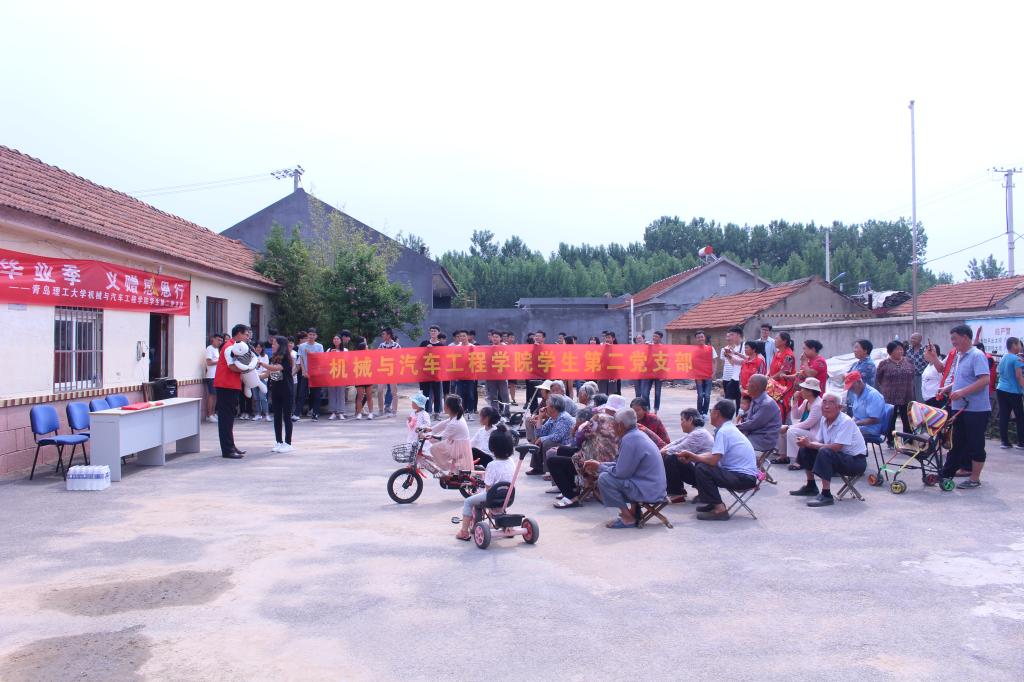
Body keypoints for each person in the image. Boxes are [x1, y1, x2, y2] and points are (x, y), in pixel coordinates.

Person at [670, 399, 759, 521]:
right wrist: (693, 457)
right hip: (742, 475)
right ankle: (712, 502)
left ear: (717, 413)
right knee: (700, 464)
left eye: (711, 411)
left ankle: (720, 509)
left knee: (702, 468)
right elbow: (714, 454)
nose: (710, 413)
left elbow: (713, 461)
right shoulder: (726, 429)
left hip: (744, 478)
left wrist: (694, 457)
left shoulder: (724, 431)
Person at [584, 407, 667, 528]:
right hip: (652, 487)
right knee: (608, 475)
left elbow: (621, 473)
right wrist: (600, 464)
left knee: (605, 479)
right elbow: (622, 465)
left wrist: (600, 467)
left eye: (614, 424)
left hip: (649, 490)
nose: (612, 427)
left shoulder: (630, 440)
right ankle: (632, 512)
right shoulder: (636, 435)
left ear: (621, 426)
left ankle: (628, 518)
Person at [790, 393, 868, 507]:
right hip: (839, 456)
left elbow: (836, 447)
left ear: (839, 407)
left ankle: (826, 494)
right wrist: (806, 443)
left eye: (831, 402)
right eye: (824, 402)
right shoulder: (824, 419)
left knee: (824, 451)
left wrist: (810, 444)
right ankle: (811, 486)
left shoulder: (846, 421)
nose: (826, 406)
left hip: (855, 461)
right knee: (806, 448)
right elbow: (819, 441)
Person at [939, 325, 992, 489]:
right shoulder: (960, 355)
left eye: (954, 338)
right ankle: (946, 474)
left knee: (975, 444)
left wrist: (962, 392)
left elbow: (984, 380)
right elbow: (964, 379)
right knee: (957, 442)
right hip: (960, 407)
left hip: (976, 409)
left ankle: (974, 479)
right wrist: (948, 388)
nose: (953, 342)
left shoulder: (977, 355)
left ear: (965, 337)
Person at [454, 423, 517, 541]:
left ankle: (464, 532)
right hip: (508, 497)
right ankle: (504, 522)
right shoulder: (512, 462)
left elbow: (488, 487)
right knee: (492, 496)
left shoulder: (492, 465)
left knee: (468, 501)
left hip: (493, 497)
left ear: (492, 448)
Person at [662, 408, 715, 503]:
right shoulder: (697, 432)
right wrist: (663, 449)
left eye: (682, 420)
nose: (681, 423)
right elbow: (677, 442)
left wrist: (662, 452)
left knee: (671, 457)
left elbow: (678, 448)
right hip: (702, 469)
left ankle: (676, 492)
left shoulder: (698, 434)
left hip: (705, 473)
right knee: (670, 455)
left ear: (690, 419)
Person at [214, 323, 250, 459]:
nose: (247, 337)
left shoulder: (235, 346)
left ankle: (231, 446)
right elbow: (232, 366)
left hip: (230, 385)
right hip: (225, 386)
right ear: (239, 334)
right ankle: (227, 450)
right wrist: (247, 370)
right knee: (226, 419)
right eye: (246, 334)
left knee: (229, 418)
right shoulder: (229, 347)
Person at [876, 340, 915, 447]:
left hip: (906, 394)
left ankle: (908, 440)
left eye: (901, 349)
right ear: (890, 351)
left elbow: (912, 375)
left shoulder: (909, 361)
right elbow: (879, 378)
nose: (900, 351)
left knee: (907, 419)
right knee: (891, 419)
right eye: (897, 349)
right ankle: (891, 440)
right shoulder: (884, 364)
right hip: (890, 396)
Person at [776, 377, 823, 466]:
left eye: (803, 389)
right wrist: (795, 401)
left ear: (810, 391)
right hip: (806, 431)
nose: (801, 391)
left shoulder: (818, 405)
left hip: (815, 434)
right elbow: (796, 416)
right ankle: (783, 456)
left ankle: (797, 460)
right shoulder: (806, 401)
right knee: (782, 430)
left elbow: (808, 423)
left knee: (791, 431)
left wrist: (788, 427)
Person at [528, 394, 575, 474]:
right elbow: (540, 433)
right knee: (539, 440)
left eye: (547, 405)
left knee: (547, 442)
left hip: (566, 444)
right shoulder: (552, 417)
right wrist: (540, 417)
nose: (545, 408)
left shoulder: (564, 418)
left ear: (553, 408)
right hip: (558, 441)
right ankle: (537, 468)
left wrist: (542, 439)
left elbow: (558, 437)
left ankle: (550, 471)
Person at [263, 335, 295, 453]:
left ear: (280, 345)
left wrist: (261, 363)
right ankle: (278, 441)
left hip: (287, 390)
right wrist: (253, 376)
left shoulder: (287, 358)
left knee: (286, 417)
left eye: (274, 343)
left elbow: (276, 368)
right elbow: (268, 374)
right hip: (276, 390)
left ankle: (288, 443)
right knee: (277, 416)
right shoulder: (273, 358)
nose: (272, 345)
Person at [735, 374, 782, 452]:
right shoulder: (756, 398)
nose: (746, 385)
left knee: (732, 443)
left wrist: (734, 427)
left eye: (749, 382)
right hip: (754, 433)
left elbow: (753, 423)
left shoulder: (766, 404)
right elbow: (749, 420)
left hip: (763, 439)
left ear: (756, 387)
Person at [429, 395, 473, 475]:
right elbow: (443, 424)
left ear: (448, 408)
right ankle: (452, 468)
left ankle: (448, 467)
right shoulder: (456, 417)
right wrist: (430, 429)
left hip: (458, 447)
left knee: (434, 448)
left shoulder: (454, 423)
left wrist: (428, 437)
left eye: (445, 404)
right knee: (436, 446)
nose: (443, 406)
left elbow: (441, 437)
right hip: (457, 444)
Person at [996, 337, 1024, 449]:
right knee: (1020, 417)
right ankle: (1021, 442)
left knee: (1004, 415)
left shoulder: (1004, 357)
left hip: (1001, 389)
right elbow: (1019, 376)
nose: (1020, 347)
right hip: (1013, 391)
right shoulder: (1016, 359)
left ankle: (1004, 442)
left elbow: (1000, 371)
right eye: (1019, 344)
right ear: (1014, 345)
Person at [845, 370, 886, 441]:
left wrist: (855, 423)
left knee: (844, 434)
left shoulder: (873, 395)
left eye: (852, 387)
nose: (850, 390)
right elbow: (856, 415)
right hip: (861, 426)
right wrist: (850, 422)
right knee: (841, 429)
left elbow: (874, 420)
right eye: (849, 388)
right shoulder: (857, 393)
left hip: (871, 428)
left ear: (859, 382)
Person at [768, 331, 797, 422]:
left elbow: (783, 372)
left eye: (777, 338)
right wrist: (767, 376)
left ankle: (785, 428)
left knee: (782, 410)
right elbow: (772, 369)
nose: (775, 340)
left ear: (784, 341)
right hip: (774, 385)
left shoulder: (788, 356)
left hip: (784, 388)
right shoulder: (777, 353)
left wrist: (769, 379)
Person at [418, 325, 445, 418]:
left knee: (437, 393)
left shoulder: (441, 345)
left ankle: (437, 412)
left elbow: (443, 358)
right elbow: (418, 355)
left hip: (436, 372)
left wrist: (433, 350)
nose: (433, 332)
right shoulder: (424, 343)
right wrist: (426, 350)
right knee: (425, 393)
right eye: (431, 331)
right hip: (425, 372)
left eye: (435, 331)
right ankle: (425, 412)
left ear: (438, 333)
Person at [376, 327, 401, 417]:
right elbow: (376, 357)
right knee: (380, 390)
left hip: (392, 370)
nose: (382, 335)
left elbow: (400, 358)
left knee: (394, 392)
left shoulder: (396, 346)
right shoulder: (381, 345)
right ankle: (381, 410)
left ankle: (394, 411)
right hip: (382, 370)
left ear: (389, 335)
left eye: (384, 334)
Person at [484, 329, 511, 410]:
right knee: (493, 396)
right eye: (493, 337)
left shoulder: (505, 347)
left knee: (504, 395)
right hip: (491, 376)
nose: (495, 338)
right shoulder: (488, 348)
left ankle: (506, 412)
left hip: (502, 376)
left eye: (497, 337)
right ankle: (495, 412)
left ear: (500, 338)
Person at [694, 330, 717, 419]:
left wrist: (714, 373)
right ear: (696, 339)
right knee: (700, 395)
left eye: (702, 337)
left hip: (708, 375)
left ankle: (705, 412)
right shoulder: (694, 350)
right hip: (698, 375)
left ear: (704, 338)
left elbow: (714, 361)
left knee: (707, 395)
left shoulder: (710, 348)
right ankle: (699, 413)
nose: (700, 339)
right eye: (698, 337)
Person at [720, 327, 744, 412]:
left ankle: (738, 417)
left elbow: (746, 361)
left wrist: (732, 356)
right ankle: (728, 416)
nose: (730, 337)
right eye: (729, 335)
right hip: (734, 377)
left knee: (739, 400)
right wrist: (728, 356)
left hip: (741, 377)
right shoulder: (735, 348)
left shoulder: (745, 346)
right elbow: (733, 363)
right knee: (728, 399)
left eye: (732, 335)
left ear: (738, 335)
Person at [326, 334, 348, 420]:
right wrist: (330, 354)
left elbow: (347, 361)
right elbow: (325, 361)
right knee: (332, 393)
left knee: (341, 393)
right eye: (334, 339)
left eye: (337, 339)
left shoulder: (345, 350)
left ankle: (341, 412)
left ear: (341, 340)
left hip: (341, 373)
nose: (336, 340)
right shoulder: (329, 350)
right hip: (332, 373)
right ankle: (333, 412)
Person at [352, 336, 375, 419]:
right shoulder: (356, 356)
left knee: (369, 396)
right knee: (360, 396)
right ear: (363, 348)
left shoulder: (370, 355)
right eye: (366, 346)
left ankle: (371, 413)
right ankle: (359, 413)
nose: (368, 347)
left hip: (368, 377)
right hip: (359, 378)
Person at [203, 333, 222, 422]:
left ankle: (213, 413)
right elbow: (209, 362)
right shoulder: (209, 348)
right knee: (212, 395)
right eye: (218, 340)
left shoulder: (217, 349)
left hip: (217, 375)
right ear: (212, 339)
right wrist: (220, 361)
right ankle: (209, 415)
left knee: (216, 396)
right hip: (211, 376)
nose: (220, 342)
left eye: (221, 340)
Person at [906, 332, 929, 402]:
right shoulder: (908, 351)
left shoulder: (925, 350)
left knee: (920, 397)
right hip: (910, 377)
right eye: (911, 338)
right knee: (911, 398)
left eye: (914, 339)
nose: (912, 340)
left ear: (920, 340)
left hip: (921, 377)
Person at [921, 343, 946, 407]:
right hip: (928, 399)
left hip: (936, 399)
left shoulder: (940, 365)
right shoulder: (929, 365)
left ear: (933, 352)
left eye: (925, 351)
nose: (923, 354)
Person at [250, 341, 270, 421]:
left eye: (260, 347)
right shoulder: (251, 356)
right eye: (257, 347)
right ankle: (258, 414)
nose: (258, 349)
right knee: (256, 397)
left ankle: (267, 414)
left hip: (262, 378)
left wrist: (259, 376)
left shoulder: (265, 356)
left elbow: (266, 369)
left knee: (263, 397)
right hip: (253, 378)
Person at [291, 330, 309, 420]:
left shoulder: (308, 347)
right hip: (299, 372)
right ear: (300, 339)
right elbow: (298, 363)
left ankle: (303, 410)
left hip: (306, 372)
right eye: (305, 338)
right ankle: (296, 411)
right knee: (298, 392)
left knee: (305, 392)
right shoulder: (295, 349)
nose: (307, 339)